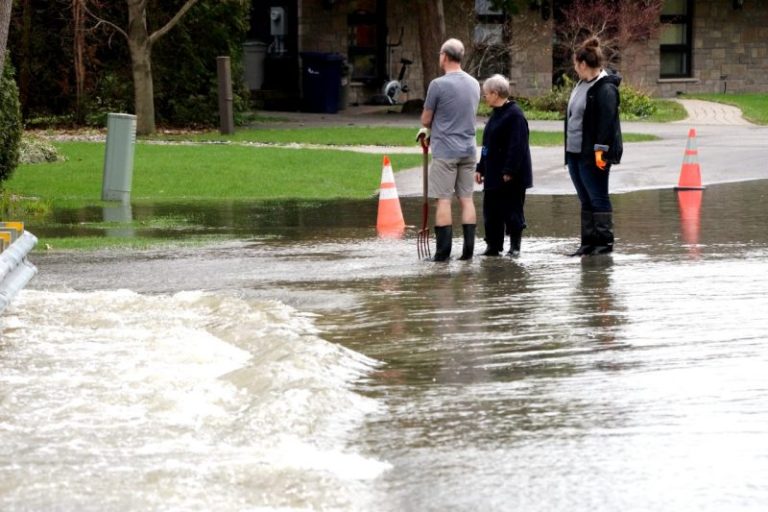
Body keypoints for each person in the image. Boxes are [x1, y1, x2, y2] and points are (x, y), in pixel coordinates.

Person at [417, 38, 481, 261]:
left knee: (443, 200)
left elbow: (426, 119)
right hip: (469, 149)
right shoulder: (474, 83)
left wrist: (427, 128)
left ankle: (443, 254)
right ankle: (468, 252)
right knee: (466, 198)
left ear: (444, 56)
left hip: (445, 151)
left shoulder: (438, 85)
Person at [565, 36, 623, 256]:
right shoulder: (581, 84)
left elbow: (606, 124)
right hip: (575, 152)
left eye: (575, 64)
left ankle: (604, 244)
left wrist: (601, 151)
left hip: (594, 154)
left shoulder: (605, 88)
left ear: (582, 64)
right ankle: (588, 243)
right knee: (585, 197)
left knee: (598, 196)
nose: (574, 68)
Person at [475, 74, 533, 257]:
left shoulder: (515, 115)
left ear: (496, 93)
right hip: (493, 173)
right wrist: (480, 167)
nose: (484, 97)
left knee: (512, 210)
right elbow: (487, 145)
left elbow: (518, 146)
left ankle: (515, 247)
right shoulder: (495, 115)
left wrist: (509, 170)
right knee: (491, 211)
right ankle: (493, 245)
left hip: (511, 176)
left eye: (486, 94)